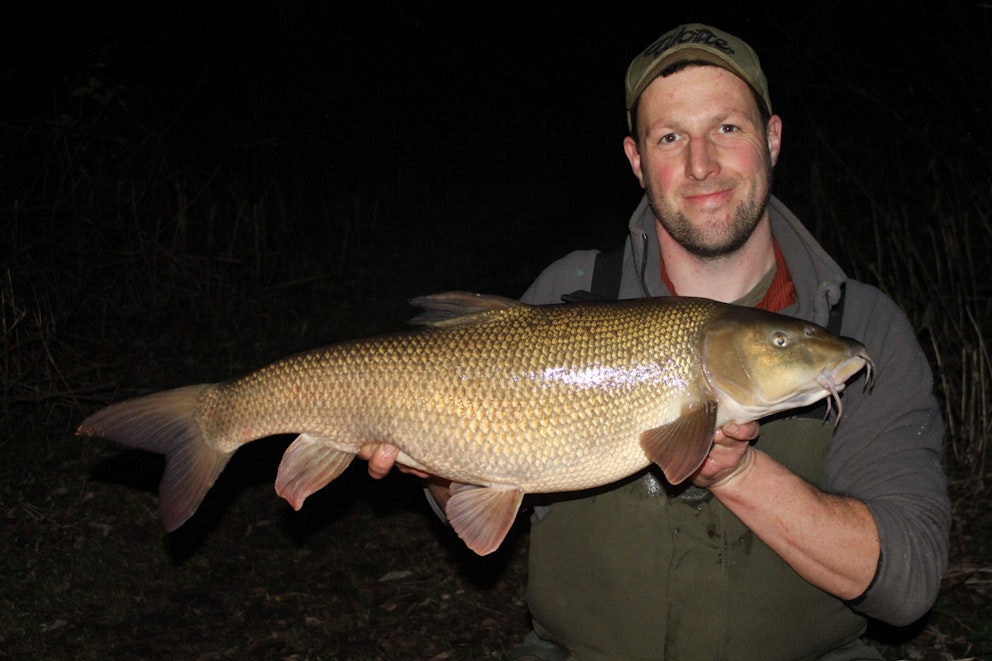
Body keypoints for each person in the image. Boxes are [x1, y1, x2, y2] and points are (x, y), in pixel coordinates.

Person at [360, 22, 950, 660]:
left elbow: (907, 582)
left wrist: (740, 471)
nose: (702, 165)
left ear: (773, 139)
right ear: (637, 161)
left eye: (727, 127)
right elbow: (477, 502)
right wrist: (440, 466)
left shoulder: (860, 325)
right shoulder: (568, 291)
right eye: (671, 137)